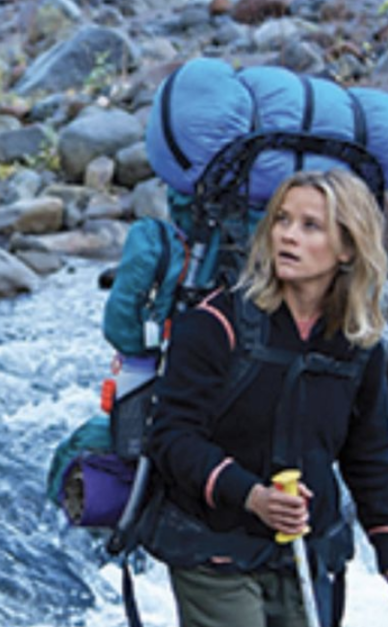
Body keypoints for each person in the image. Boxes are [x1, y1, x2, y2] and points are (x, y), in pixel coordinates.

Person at [145, 168, 388, 627]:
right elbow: (171, 438)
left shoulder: (360, 345)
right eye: (281, 220)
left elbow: (371, 456)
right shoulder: (216, 325)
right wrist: (252, 495)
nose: (287, 236)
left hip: (309, 554)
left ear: (348, 248)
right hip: (213, 546)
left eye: (310, 225)